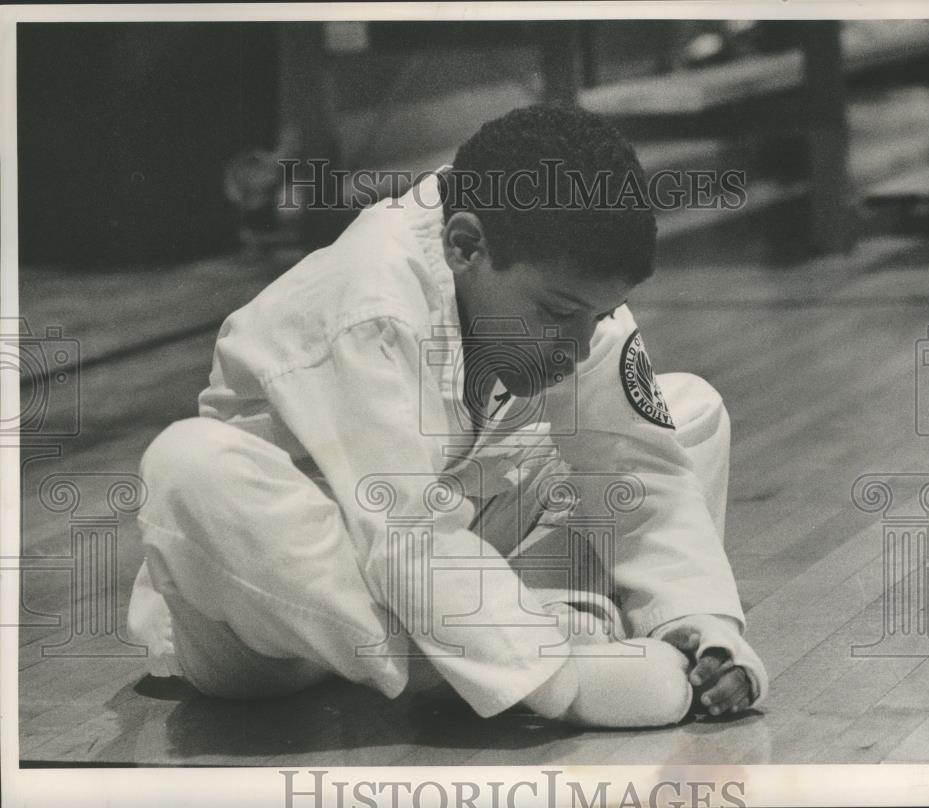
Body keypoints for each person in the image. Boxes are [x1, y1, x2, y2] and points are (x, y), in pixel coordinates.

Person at [126, 105, 767, 728]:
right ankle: (529, 656)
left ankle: (534, 627)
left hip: (454, 561)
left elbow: (639, 465)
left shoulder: (556, 277)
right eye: (558, 314)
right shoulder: (367, 301)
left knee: (686, 411)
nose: (576, 348)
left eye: (596, 317)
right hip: (279, 624)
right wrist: (563, 687)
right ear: (465, 246)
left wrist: (704, 627)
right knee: (188, 467)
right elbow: (407, 532)